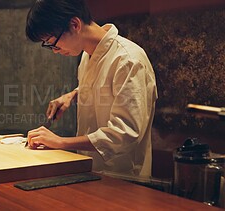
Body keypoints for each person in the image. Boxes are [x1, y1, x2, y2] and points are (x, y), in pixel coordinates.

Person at [25, 0, 158, 177]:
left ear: (75, 24)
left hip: (123, 178)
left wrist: (61, 142)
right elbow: (106, 87)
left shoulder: (128, 59)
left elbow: (125, 133)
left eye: (52, 42)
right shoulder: (87, 56)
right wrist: (74, 94)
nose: (55, 50)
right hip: (91, 172)